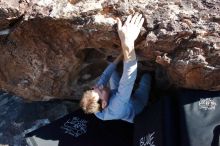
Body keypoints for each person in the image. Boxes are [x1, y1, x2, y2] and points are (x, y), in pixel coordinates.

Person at [80, 13, 151, 123]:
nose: (96, 86)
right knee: (146, 80)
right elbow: (128, 78)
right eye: (98, 90)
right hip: (135, 107)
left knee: (112, 74)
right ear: (104, 104)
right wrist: (128, 42)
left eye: (93, 89)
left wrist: (122, 53)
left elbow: (105, 75)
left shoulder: (97, 96)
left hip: (115, 95)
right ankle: (148, 76)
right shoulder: (116, 107)